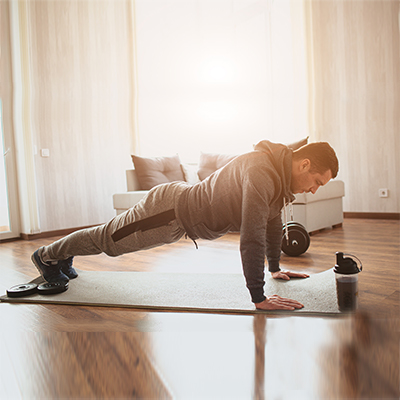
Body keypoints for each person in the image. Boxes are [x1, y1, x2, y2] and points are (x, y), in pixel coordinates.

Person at [31, 140, 338, 311]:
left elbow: (272, 224)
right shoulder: (262, 172)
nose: (314, 189)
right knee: (108, 241)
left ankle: (61, 255)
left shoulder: (280, 181)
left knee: (107, 240)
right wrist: (258, 297)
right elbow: (252, 236)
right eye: (317, 182)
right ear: (305, 164)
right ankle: (46, 255)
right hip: (167, 211)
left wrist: (275, 268)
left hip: (177, 220)